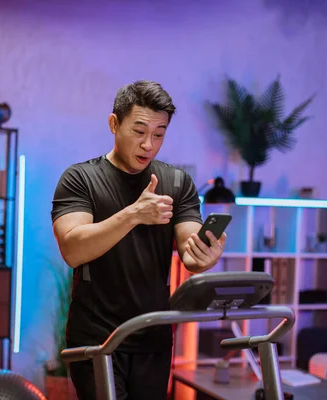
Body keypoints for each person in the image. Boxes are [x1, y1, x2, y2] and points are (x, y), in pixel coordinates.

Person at [51, 80, 227, 399]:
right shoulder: (80, 179)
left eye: (159, 134)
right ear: (114, 124)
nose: (149, 144)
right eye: (139, 131)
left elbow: (190, 251)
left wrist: (205, 255)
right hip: (97, 340)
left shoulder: (176, 182)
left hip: (153, 337)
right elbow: (73, 249)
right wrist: (133, 214)